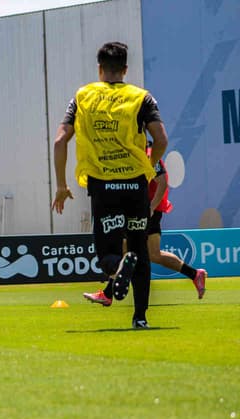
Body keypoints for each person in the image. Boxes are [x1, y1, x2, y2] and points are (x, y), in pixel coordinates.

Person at [51, 42, 168, 329]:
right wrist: (151, 167)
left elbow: (59, 141)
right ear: (125, 69)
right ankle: (140, 318)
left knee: (107, 253)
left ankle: (118, 266)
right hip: (136, 186)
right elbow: (161, 139)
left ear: (100, 69)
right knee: (140, 250)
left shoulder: (83, 96)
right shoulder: (142, 97)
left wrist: (62, 185)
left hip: (103, 186)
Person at [83, 143, 206, 306]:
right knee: (153, 254)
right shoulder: (136, 152)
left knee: (126, 248)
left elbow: (162, 182)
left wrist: (151, 207)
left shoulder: (148, 154)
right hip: (144, 208)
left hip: (146, 209)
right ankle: (195, 274)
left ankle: (108, 294)